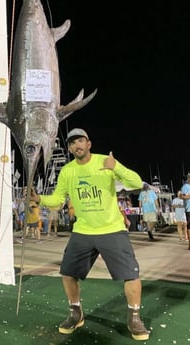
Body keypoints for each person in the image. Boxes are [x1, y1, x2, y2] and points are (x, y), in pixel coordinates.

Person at [29, 128, 150, 340]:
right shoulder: (67, 171)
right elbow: (58, 199)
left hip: (112, 229)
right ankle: (76, 313)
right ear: (69, 148)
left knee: (131, 275)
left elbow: (137, 183)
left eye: (81, 141)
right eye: (73, 143)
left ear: (89, 144)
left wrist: (117, 167)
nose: (77, 145)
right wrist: (40, 199)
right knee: (67, 272)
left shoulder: (105, 162)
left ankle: (134, 317)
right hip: (83, 231)